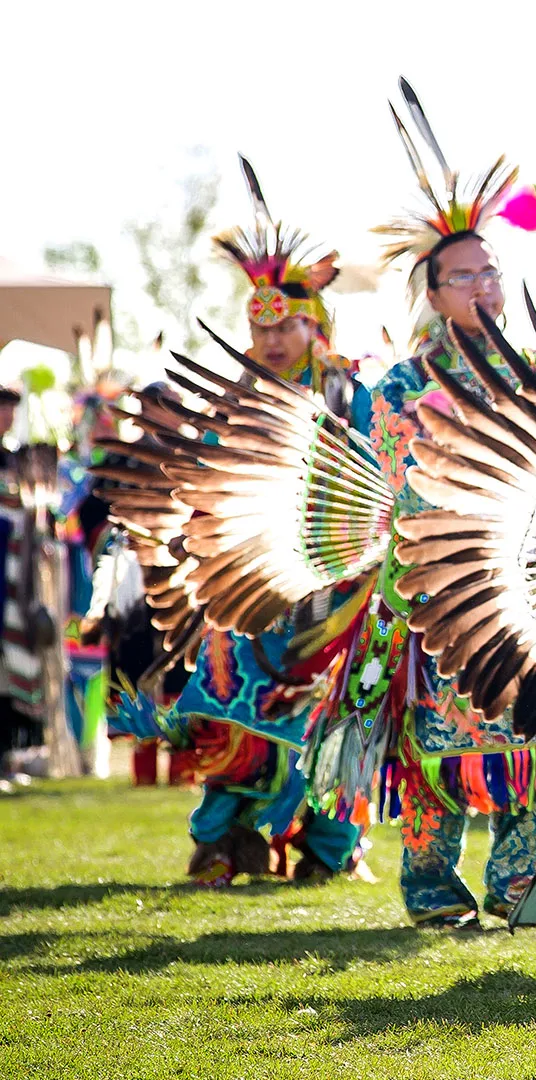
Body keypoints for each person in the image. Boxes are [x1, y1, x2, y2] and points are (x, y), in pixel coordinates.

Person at [318, 80, 536, 926]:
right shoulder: (403, 387)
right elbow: (390, 489)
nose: (484, 286)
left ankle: (517, 879)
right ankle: (433, 885)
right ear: (433, 293)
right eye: (464, 277)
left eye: (492, 271)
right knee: (438, 752)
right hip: (437, 591)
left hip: (533, 589)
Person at [102, 157, 372, 886]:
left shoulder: (357, 396)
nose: (274, 339)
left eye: (286, 324)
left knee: (334, 718)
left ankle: (327, 850)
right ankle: (224, 845)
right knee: (235, 711)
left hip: (339, 591)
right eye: (261, 326)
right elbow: (206, 482)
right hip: (250, 584)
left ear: (314, 326)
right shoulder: (236, 398)